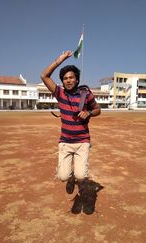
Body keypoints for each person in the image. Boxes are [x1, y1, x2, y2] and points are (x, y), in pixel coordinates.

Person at [40, 51, 101, 204]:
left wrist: (89, 113)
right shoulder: (59, 93)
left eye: (71, 77)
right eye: (65, 78)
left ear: (77, 78)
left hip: (82, 142)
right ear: (62, 81)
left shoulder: (85, 94)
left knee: (82, 176)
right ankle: (70, 177)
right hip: (66, 142)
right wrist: (59, 60)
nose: (68, 80)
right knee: (62, 177)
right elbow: (44, 76)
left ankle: (77, 178)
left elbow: (98, 109)